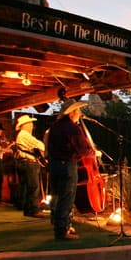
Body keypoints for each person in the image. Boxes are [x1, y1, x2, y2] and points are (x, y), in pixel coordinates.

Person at [45, 99, 94, 240]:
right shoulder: (72, 128)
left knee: (57, 196)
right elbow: (82, 149)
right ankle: (61, 232)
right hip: (67, 165)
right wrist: (93, 152)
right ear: (72, 113)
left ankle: (61, 225)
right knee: (66, 198)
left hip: (54, 165)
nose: (80, 113)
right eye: (78, 111)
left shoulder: (55, 127)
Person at [14, 114, 46, 219]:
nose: (32, 126)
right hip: (29, 163)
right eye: (30, 124)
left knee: (26, 186)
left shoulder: (21, 135)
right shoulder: (25, 135)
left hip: (24, 162)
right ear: (25, 125)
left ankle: (26, 208)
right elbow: (40, 145)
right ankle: (33, 210)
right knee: (34, 187)